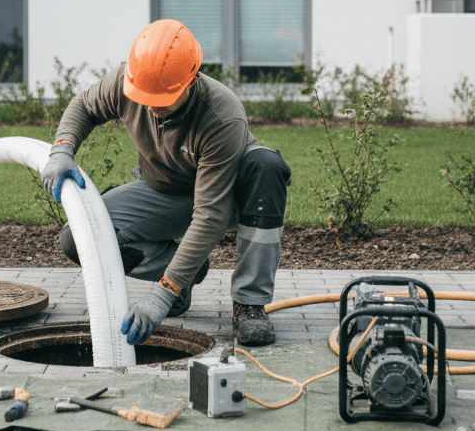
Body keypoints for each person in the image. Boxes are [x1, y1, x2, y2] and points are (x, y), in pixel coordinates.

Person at [40, 19, 292, 347]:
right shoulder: (128, 82)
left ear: (191, 80)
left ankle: (249, 304)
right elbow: (85, 106)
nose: (152, 105)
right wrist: (62, 149)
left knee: (266, 166)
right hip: (164, 189)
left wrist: (161, 296)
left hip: (229, 196)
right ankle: (184, 274)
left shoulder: (221, 114)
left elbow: (210, 215)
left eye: (163, 98)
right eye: (146, 96)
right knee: (80, 237)